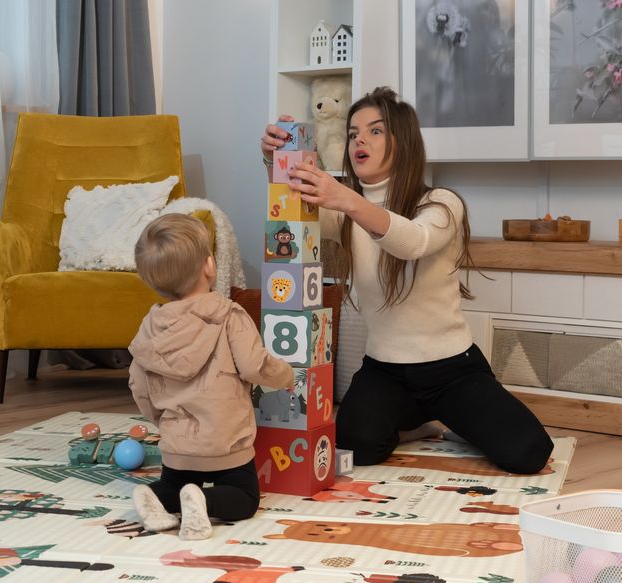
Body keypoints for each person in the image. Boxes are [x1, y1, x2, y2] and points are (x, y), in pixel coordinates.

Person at [260, 86, 553, 474]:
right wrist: (275, 160)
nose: (359, 140)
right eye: (352, 134)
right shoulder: (349, 211)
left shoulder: (441, 203)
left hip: (451, 369)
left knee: (528, 452)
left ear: (404, 143)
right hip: (385, 369)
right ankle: (417, 423)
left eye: (375, 131)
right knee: (355, 445)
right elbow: (298, 210)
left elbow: (411, 241)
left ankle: (453, 418)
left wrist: (347, 199)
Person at [128, 214, 294, 540]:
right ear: (209, 266)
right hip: (224, 442)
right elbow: (253, 365)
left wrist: (161, 420)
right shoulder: (229, 314)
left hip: (178, 447)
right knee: (244, 498)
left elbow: (139, 385)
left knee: (173, 483)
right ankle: (204, 499)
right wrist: (286, 374)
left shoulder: (151, 327)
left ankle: (158, 496)